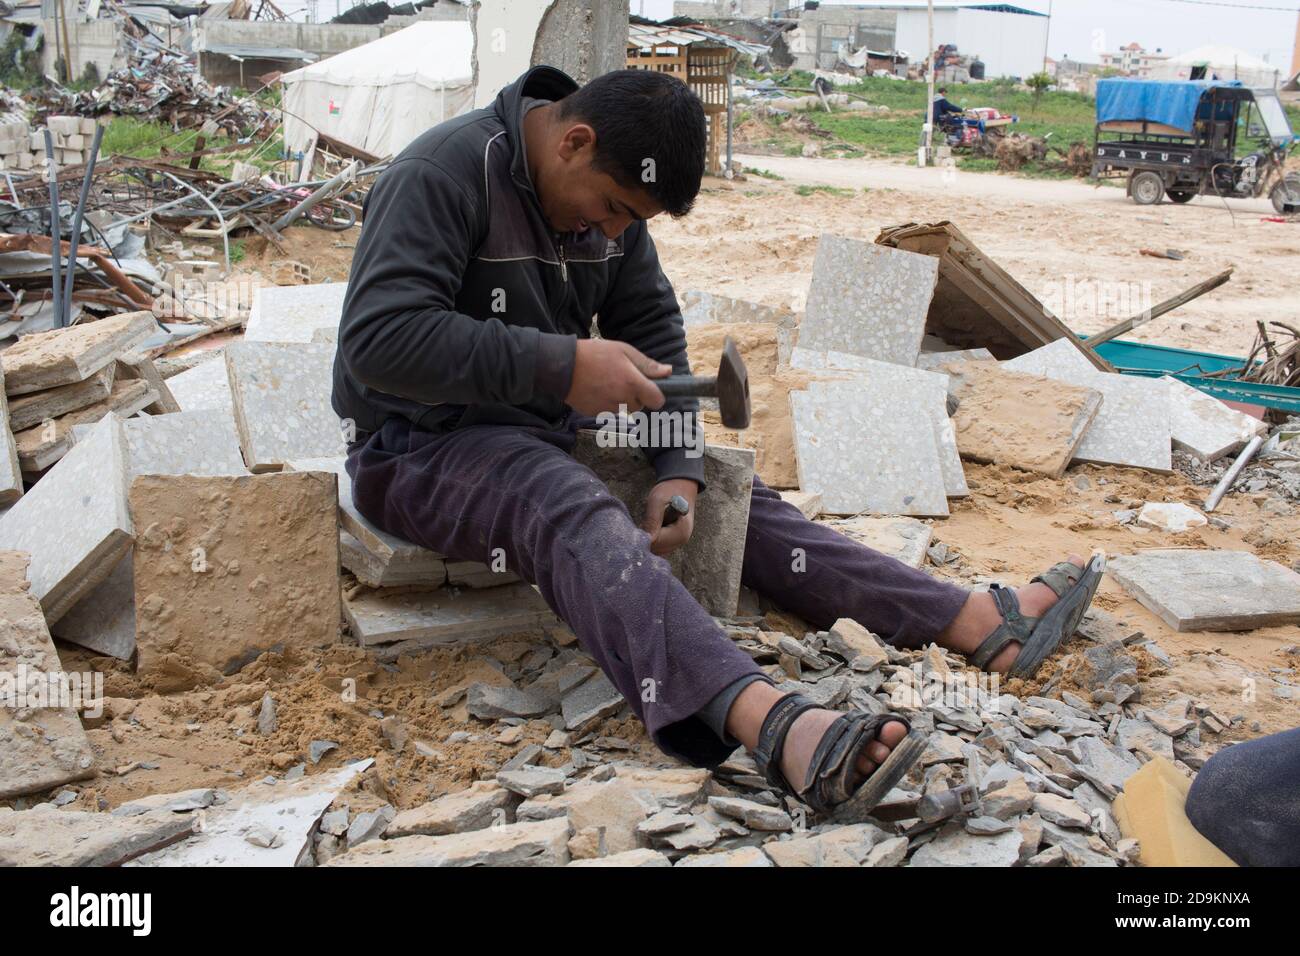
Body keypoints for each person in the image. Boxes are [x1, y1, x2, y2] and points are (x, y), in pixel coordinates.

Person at [332, 66, 1105, 819]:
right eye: (609, 210)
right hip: (416, 447)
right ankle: (766, 720)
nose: (613, 232)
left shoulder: (611, 210)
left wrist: (679, 467)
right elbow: (379, 339)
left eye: (631, 220)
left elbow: (654, 331)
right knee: (557, 498)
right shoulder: (442, 174)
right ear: (574, 141)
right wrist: (560, 364)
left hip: (539, 425)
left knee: (736, 492)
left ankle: (973, 621)